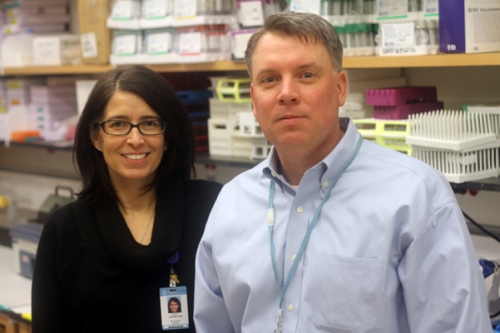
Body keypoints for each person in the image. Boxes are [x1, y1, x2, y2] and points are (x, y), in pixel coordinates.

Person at [194, 11, 491, 333]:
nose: (286, 93)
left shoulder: (415, 194)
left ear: (339, 88)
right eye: (269, 79)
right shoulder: (232, 202)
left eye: (306, 75)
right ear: (254, 99)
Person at [32, 65, 222, 332]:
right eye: (118, 124)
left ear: (167, 135)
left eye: (150, 123)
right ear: (95, 136)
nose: (135, 139)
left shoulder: (214, 206)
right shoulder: (63, 230)